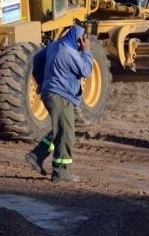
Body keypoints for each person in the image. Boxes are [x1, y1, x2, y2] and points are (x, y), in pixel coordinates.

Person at [25, 25, 92, 183]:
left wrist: (42, 80)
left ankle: (37, 155)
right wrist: (87, 51)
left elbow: (37, 60)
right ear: (79, 39)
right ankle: (60, 172)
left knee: (61, 129)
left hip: (52, 94)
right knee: (66, 134)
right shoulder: (69, 53)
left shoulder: (55, 45)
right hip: (60, 96)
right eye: (83, 40)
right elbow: (86, 71)